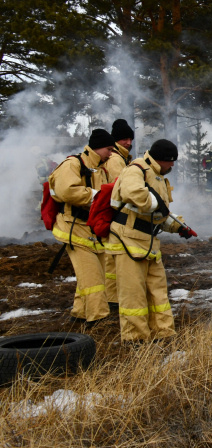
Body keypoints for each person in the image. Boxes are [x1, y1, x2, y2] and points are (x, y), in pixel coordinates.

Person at [104, 139, 197, 343]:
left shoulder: (158, 177)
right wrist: (158, 205)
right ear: (161, 159)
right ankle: (136, 340)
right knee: (133, 295)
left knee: (158, 292)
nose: (172, 166)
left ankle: (164, 333)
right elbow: (134, 195)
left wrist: (177, 226)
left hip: (148, 242)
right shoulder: (136, 170)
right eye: (171, 162)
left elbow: (159, 215)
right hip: (128, 241)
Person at [48, 128, 114, 324]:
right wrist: (96, 196)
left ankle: (80, 313)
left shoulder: (101, 169)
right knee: (92, 276)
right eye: (109, 149)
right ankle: (98, 317)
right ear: (98, 147)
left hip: (90, 228)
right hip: (72, 227)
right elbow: (66, 191)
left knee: (93, 273)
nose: (111, 154)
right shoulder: (73, 164)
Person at [103, 118, 136, 311]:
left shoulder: (121, 157)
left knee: (111, 256)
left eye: (130, 139)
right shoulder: (116, 159)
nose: (128, 143)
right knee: (113, 257)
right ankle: (113, 297)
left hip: (112, 210)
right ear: (116, 139)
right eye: (124, 139)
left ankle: (111, 296)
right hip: (116, 212)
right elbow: (121, 186)